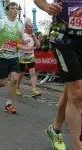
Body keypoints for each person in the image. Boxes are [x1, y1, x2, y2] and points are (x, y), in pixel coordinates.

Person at [34, 0, 82, 150]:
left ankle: (54, 129)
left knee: (71, 92)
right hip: (63, 38)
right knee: (77, 93)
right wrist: (47, 7)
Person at [0, 2, 32, 114]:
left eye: (16, 9)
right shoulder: (1, 22)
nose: (15, 11)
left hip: (13, 57)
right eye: (13, 8)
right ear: (7, 10)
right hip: (1, 56)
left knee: (14, 79)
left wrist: (25, 44)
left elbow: (19, 41)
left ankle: (9, 104)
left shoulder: (20, 24)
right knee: (2, 82)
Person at [16, 21, 41, 97]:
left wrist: (34, 37)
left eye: (32, 27)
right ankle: (17, 88)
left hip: (30, 56)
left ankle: (34, 89)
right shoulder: (21, 34)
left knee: (32, 73)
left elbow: (38, 46)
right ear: (26, 27)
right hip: (22, 56)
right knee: (21, 73)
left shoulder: (32, 35)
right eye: (30, 27)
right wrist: (25, 47)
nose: (32, 28)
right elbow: (17, 45)